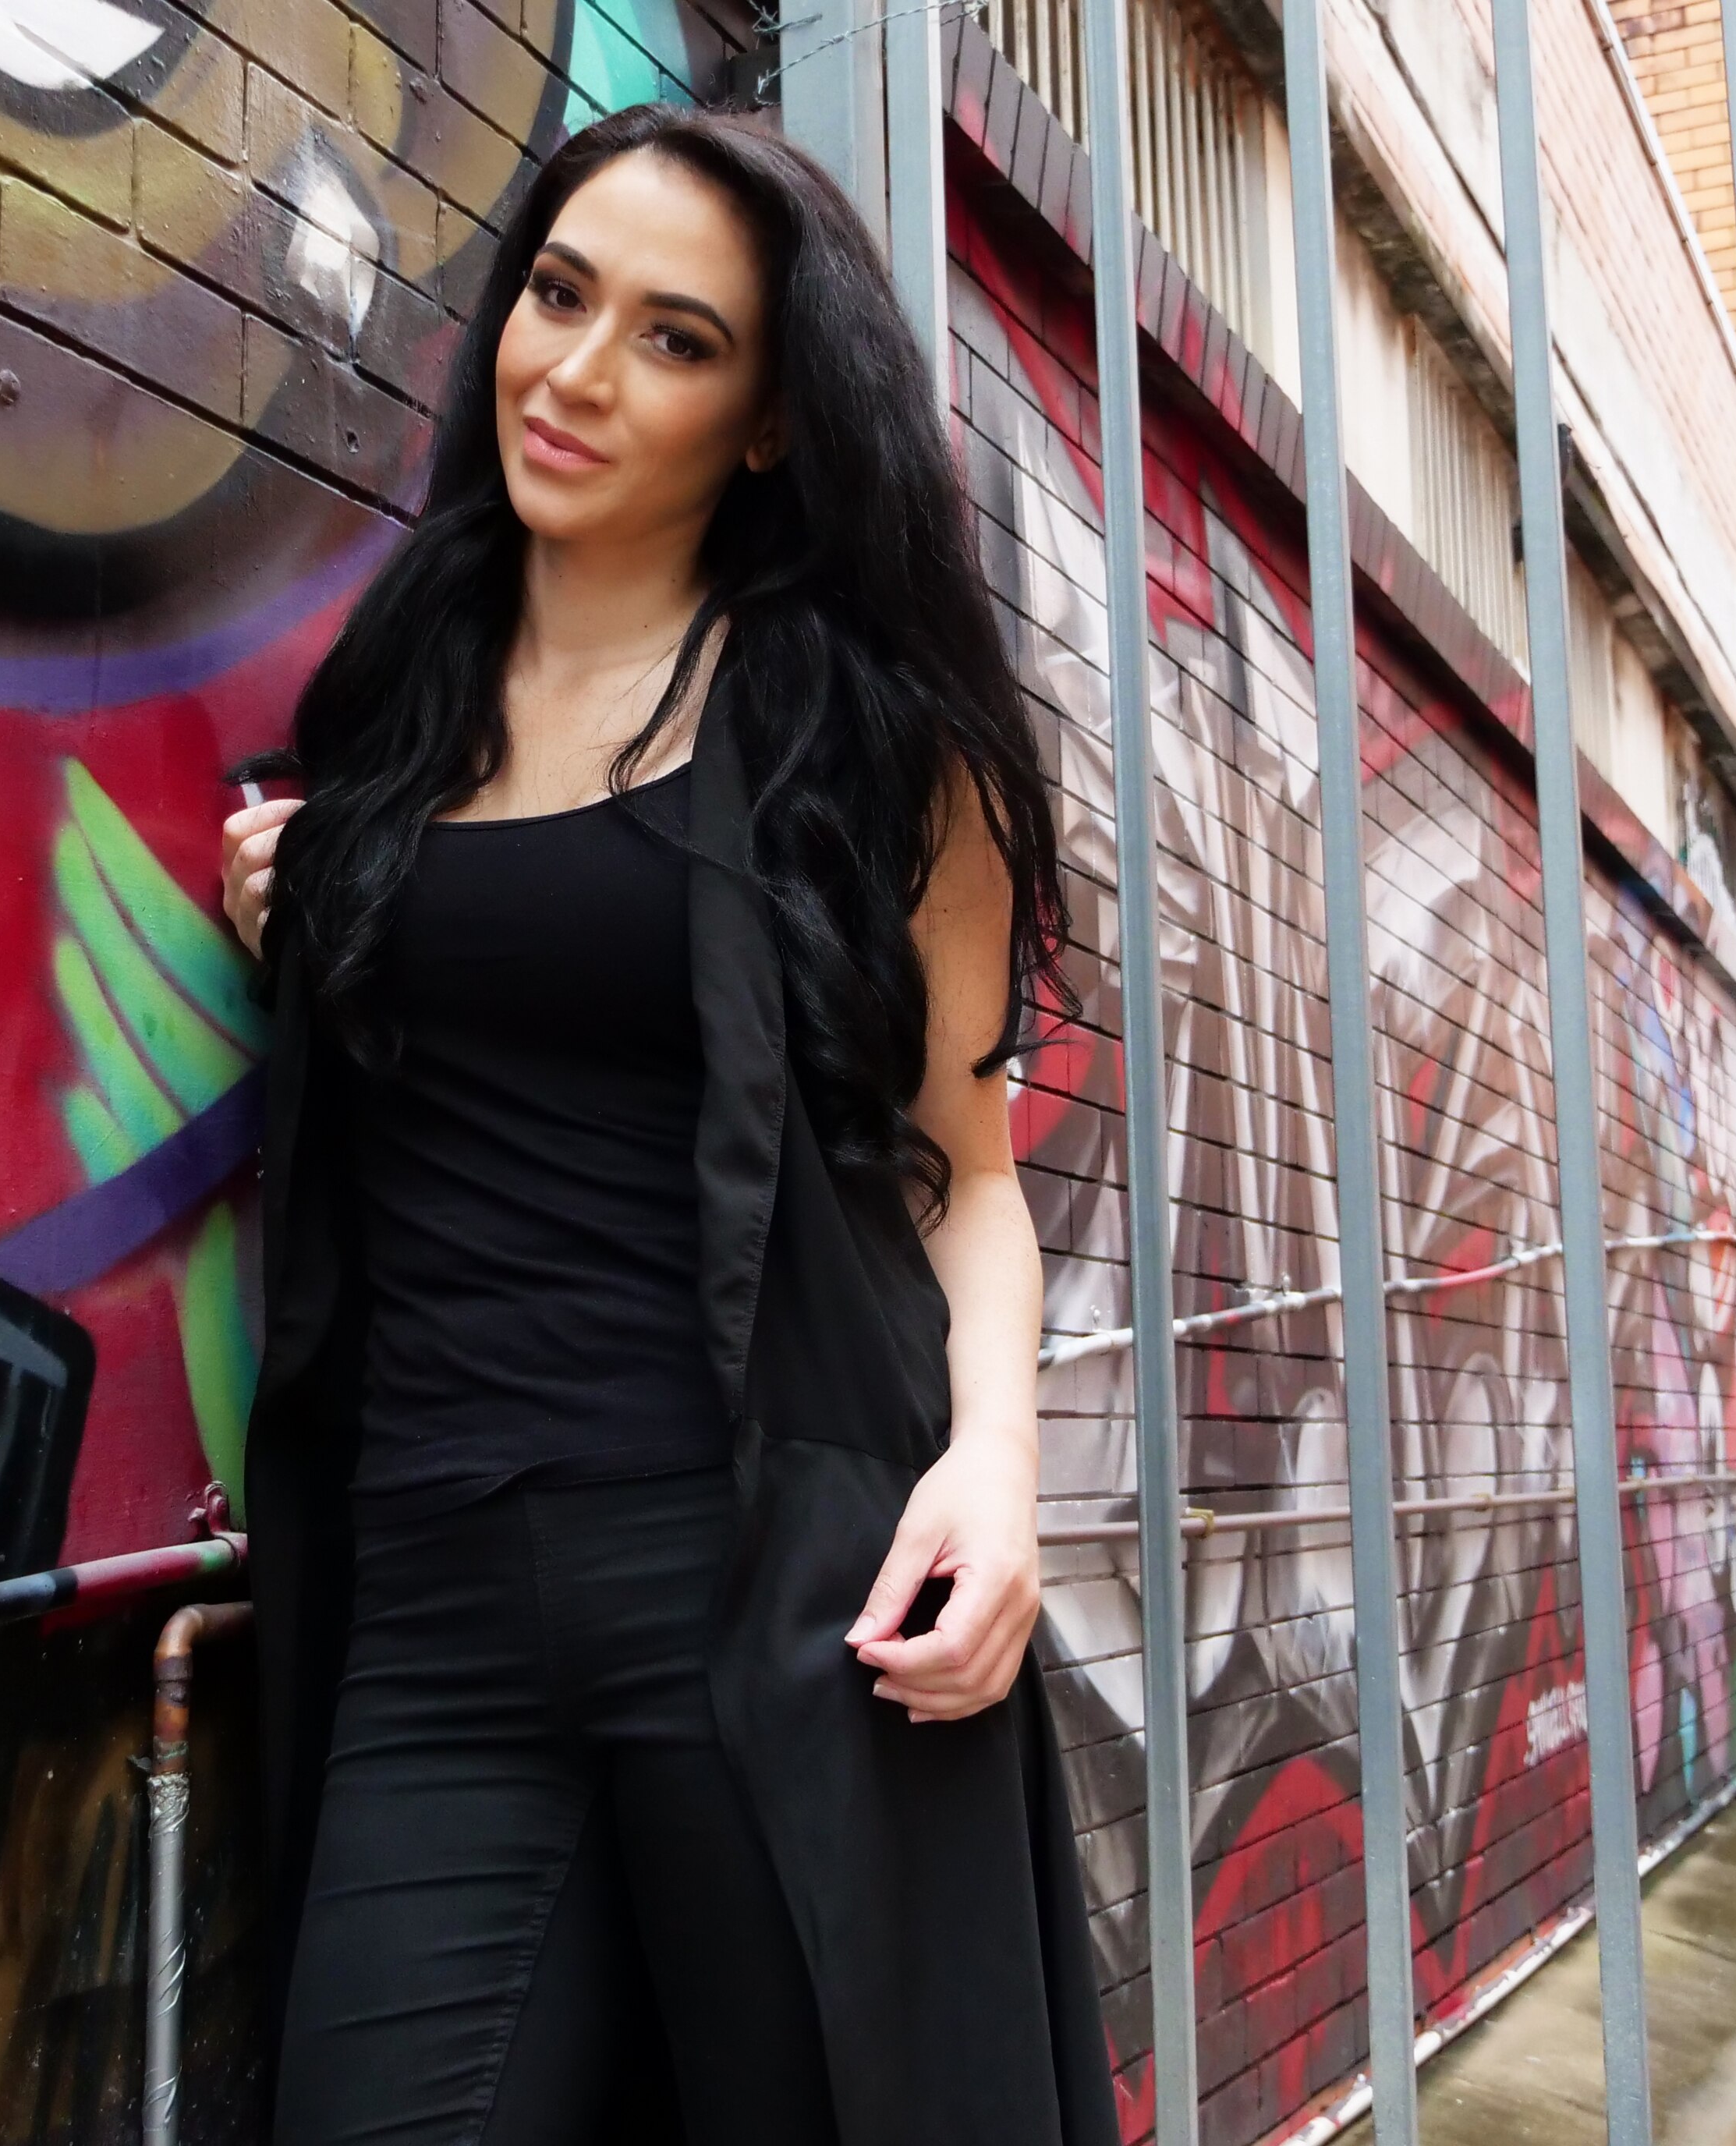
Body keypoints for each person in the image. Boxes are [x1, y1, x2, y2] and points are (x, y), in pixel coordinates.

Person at [214, 103, 1118, 2144]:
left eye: (672, 338)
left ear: (773, 423)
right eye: (556, 294)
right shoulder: (395, 697)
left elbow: (965, 1177)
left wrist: (994, 1475)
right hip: (434, 1603)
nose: (574, 370)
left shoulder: (864, 745)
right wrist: (320, 901)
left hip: (775, 1591)